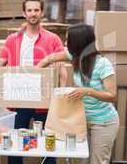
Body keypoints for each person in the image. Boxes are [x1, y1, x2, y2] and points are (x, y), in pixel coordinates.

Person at [0, 0, 67, 164]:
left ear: (42, 12)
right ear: (24, 13)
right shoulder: (12, 40)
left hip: (44, 102)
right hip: (18, 100)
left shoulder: (53, 39)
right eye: (29, 10)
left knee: (47, 144)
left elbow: (61, 68)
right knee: (14, 145)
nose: (33, 13)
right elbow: (1, 61)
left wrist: (60, 94)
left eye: (36, 10)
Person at [37, 23, 119, 164]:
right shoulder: (73, 56)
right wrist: (33, 75)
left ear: (78, 43)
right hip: (80, 120)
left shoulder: (103, 64)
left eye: (68, 39)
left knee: (97, 162)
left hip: (104, 122)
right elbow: (49, 59)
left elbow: (112, 96)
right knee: (80, 161)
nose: (65, 42)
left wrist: (87, 91)